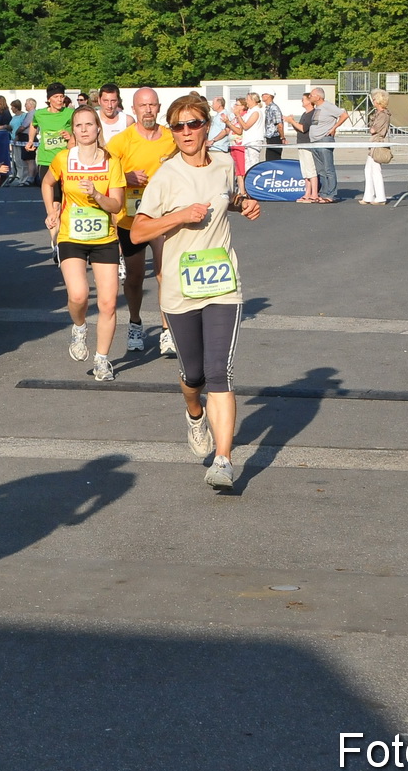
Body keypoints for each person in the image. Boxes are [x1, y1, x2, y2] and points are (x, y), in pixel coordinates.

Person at [131, 93, 261, 491]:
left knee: (221, 373)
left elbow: (228, 199)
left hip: (223, 282)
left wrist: (245, 204)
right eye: (178, 126)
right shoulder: (166, 175)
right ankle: (193, 413)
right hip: (181, 287)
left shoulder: (224, 163)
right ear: (172, 132)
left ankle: (223, 460)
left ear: (207, 126)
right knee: (194, 375)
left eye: (193, 124)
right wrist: (178, 216)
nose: (186, 132)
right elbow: (138, 231)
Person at [44, 104, 126, 381]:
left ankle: (102, 360)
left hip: (104, 237)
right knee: (78, 295)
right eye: (79, 126)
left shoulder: (111, 162)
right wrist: (51, 212)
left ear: (98, 127)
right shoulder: (63, 158)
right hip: (71, 235)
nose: (84, 130)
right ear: (73, 130)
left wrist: (97, 196)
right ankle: (79, 327)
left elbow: (116, 204)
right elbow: (47, 183)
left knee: (108, 303)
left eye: (89, 124)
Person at [107, 88, 176, 355]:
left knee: (164, 274)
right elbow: (107, 176)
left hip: (163, 217)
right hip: (131, 220)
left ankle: (167, 330)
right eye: (142, 106)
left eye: (152, 105)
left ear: (159, 108)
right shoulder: (120, 142)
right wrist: (127, 178)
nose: (148, 110)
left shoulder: (171, 138)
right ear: (133, 109)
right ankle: (135, 323)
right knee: (135, 277)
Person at [362, 89, 392, 205]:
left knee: (375, 170)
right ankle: (368, 196)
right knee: (368, 169)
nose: (373, 101)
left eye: (374, 99)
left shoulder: (383, 115)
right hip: (373, 143)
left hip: (378, 143)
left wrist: (373, 128)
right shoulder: (378, 114)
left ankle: (380, 197)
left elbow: (374, 129)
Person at [14, 98, 38, 186]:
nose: (25, 106)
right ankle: (32, 177)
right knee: (28, 159)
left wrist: (17, 132)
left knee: (29, 160)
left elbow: (23, 126)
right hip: (27, 137)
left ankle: (30, 178)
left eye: (26, 104)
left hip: (27, 137)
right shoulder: (31, 114)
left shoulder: (32, 114)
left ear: (31, 105)